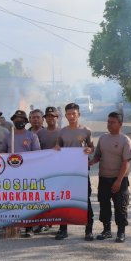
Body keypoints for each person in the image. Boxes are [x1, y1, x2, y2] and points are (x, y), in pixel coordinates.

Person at [91, 111, 131, 243]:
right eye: (108, 122)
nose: (109, 124)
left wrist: (118, 181)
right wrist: (89, 162)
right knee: (104, 205)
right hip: (104, 178)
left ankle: (121, 232)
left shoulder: (125, 140)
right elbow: (98, 156)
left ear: (120, 124)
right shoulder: (103, 138)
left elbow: (126, 162)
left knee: (120, 206)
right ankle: (106, 230)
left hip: (119, 179)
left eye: (112, 122)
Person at [55, 103, 94, 240]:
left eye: (74, 114)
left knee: (85, 200)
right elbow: (57, 148)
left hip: (82, 171)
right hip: (66, 172)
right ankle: (63, 229)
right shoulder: (62, 132)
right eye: (69, 114)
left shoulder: (86, 131)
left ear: (79, 114)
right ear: (65, 116)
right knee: (64, 199)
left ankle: (88, 230)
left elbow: (91, 148)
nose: (71, 116)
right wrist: (56, 149)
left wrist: (89, 150)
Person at [7, 110, 41, 237]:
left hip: (27, 173)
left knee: (28, 201)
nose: (19, 121)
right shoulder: (8, 136)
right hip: (12, 174)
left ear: (26, 121)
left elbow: (37, 155)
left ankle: (29, 228)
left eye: (21, 119)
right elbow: (2, 154)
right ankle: (14, 226)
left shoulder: (32, 136)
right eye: (16, 119)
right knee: (13, 201)